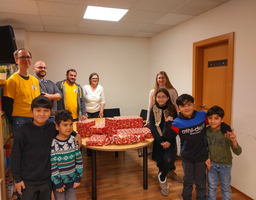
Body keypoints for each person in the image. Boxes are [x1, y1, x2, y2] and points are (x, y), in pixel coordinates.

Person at [10, 96, 81, 200]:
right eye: (38, 110)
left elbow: (65, 129)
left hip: (46, 180)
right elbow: (15, 156)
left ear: (50, 112)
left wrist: (76, 134)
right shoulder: (22, 131)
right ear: (31, 112)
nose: (42, 114)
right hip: (27, 181)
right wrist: (17, 179)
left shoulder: (52, 128)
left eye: (46, 110)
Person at [167, 94, 208, 200]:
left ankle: (202, 197)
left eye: (189, 104)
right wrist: (167, 124)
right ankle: (186, 197)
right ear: (178, 108)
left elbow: (214, 123)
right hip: (187, 156)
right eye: (183, 106)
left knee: (201, 181)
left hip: (202, 155)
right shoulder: (176, 122)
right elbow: (168, 136)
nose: (187, 108)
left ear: (193, 105)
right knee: (188, 180)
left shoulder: (202, 115)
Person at [144, 71, 181, 183]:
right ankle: (162, 171)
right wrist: (148, 122)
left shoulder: (172, 91)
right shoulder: (153, 91)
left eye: (163, 77)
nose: (161, 80)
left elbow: (176, 104)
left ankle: (169, 172)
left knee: (170, 154)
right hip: (157, 126)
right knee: (160, 155)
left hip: (170, 124)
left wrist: (178, 120)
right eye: (159, 78)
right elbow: (150, 106)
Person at [205, 106, 242, 200]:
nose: (212, 121)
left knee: (225, 188)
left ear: (222, 120)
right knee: (211, 186)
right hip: (212, 165)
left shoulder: (226, 132)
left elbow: (238, 152)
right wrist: (208, 157)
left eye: (216, 118)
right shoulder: (207, 131)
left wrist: (234, 141)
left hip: (225, 165)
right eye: (210, 118)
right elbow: (207, 147)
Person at [3, 48, 40, 135]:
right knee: (22, 147)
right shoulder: (12, 80)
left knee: (34, 146)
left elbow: (37, 101)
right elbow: (8, 104)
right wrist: (13, 122)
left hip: (35, 119)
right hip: (20, 120)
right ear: (16, 60)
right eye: (22, 57)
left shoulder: (35, 80)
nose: (26, 60)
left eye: (28, 57)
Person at [149, 88, 177, 196]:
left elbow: (176, 125)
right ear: (155, 98)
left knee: (169, 160)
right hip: (158, 140)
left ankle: (162, 177)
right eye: (158, 97)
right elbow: (152, 126)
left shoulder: (172, 109)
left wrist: (169, 141)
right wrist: (160, 141)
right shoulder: (153, 109)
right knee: (160, 161)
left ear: (168, 98)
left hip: (170, 140)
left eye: (163, 96)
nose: (161, 99)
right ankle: (163, 181)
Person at [51, 110, 83, 200]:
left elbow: (79, 162)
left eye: (70, 124)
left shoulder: (74, 141)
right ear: (57, 126)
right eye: (65, 125)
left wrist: (78, 178)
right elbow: (53, 165)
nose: (69, 128)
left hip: (73, 182)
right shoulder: (53, 144)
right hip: (58, 184)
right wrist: (58, 182)